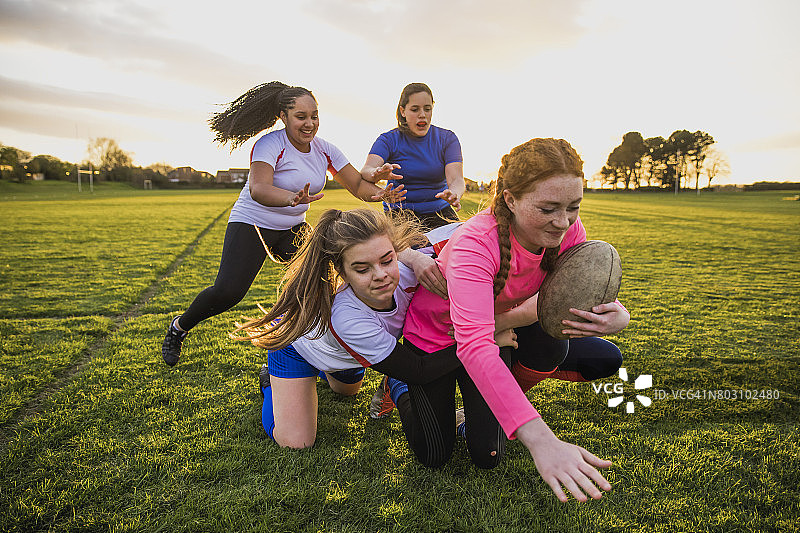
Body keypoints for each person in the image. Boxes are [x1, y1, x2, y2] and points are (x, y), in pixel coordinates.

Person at [400, 138, 631, 503]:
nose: (563, 221)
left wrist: (619, 313)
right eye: (548, 208)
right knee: (434, 456)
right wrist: (542, 439)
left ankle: (474, 411)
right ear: (510, 199)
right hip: (435, 340)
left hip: (496, 334)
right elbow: (473, 345)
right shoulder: (476, 244)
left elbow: (573, 290)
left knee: (487, 456)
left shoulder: (567, 228)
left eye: (574, 206)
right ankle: (400, 388)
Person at [161, 82, 405, 366]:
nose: (309, 123)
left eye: (314, 116)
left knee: (320, 281)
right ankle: (179, 327)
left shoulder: (325, 150)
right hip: (253, 224)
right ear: (283, 116)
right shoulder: (270, 144)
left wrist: (380, 193)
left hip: (292, 230)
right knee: (228, 292)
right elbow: (259, 188)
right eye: (301, 117)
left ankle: (309, 346)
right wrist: (292, 198)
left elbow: (356, 185)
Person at [233, 208, 518, 448]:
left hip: (350, 355)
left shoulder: (412, 268)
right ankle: (270, 381)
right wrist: (484, 337)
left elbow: (475, 230)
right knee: (297, 442)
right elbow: (417, 370)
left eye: (387, 260)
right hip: (300, 349)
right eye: (362, 268)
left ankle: (382, 378)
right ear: (341, 272)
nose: (381, 275)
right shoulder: (346, 316)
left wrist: (413, 256)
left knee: (348, 391)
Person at [360, 83, 466, 230]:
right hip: (401, 213)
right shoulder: (388, 139)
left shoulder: (448, 138)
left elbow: (456, 179)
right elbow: (366, 170)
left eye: (427, 109)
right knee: (411, 253)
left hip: (440, 211)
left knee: (456, 248)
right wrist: (376, 173)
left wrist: (454, 193)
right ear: (403, 111)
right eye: (415, 109)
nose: (422, 114)